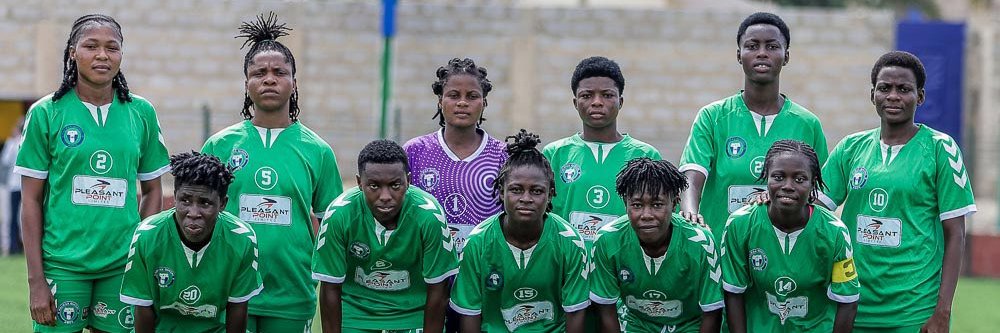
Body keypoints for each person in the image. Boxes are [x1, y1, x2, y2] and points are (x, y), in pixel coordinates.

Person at [15, 14, 170, 333]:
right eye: (91, 46)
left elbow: (154, 190)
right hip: (63, 265)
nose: (102, 55)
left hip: (120, 268)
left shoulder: (141, 113)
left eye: (112, 47)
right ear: (72, 51)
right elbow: (30, 200)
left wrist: (139, 254)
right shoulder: (47, 112)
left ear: (121, 55)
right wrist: (36, 281)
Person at [200, 13, 344, 333]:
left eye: (280, 72)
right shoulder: (220, 145)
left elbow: (333, 228)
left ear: (293, 82)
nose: (269, 79)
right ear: (246, 83)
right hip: (228, 288)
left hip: (292, 293)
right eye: (259, 72)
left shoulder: (317, 150)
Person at [817, 51, 976, 333]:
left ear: (921, 96)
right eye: (884, 88)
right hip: (853, 306)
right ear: (872, 95)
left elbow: (956, 233)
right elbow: (813, 209)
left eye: (903, 89)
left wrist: (942, 312)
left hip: (914, 312)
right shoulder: (851, 147)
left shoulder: (941, 149)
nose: (893, 96)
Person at [679, 12, 828, 235]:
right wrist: (689, 212)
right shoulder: (713, 117)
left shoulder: (807, 123)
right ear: (739, 55)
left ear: (786, 56)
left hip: (779, 252)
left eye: (771, 46)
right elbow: (691, 175)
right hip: (721, 251)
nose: (761, 53)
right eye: (752, 46)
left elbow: (817, 195)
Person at [450, 130, 590, 332]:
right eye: (516, 190)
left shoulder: (569, 241)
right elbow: (470, 314)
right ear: (501, 191)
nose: (526, 198)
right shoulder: (478, 242)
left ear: (550, 194)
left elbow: (575, 314)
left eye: (536, 191)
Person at [312, 139, 458, 332]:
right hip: (356, 313)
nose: (385, 196)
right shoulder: (339, 215)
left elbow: (438, 292)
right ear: (359, 183)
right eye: (374, 186)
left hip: (412, 314)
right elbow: (330, 288)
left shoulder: (429, 216)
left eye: (395, 185)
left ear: (409, 181)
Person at [720, 140, 858, 332]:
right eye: (778, 177)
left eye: (799, 179)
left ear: (813, 183)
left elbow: (848, 302)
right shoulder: (740, 224)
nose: (787, 186)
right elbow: (733, 294)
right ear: (765, 178)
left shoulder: (834, 232)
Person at [120, 152, 263, 333]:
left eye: (205, 203)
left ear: (223, 203)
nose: (193, 213)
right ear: (175, 197)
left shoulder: (242, 239)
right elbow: (143, 310)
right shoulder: (147, 235)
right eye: (185, 200)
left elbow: (238, 310)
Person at [590, 157, 723, 333]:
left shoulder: (700, 242)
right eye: (637, 205)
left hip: (688, 326)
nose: (646, 214)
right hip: (635, 325)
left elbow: (712, 312)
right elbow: (606, 309)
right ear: (625, 203)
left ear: (675, 203)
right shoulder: (607, 240)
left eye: (657, 205)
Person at [543, 56, 661, 248]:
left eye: (607, 95)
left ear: (620, 101)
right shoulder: (555, 154)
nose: (597, 102)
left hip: (623, 266)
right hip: (567, 266)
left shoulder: (645, 155)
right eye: (587, 95)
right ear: (575, 102)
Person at [404, 57, 507, 254]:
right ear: (440, 100)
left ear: (484, 102)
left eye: (472, 96)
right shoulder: (415, 151)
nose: (462, 102)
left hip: (482, 269)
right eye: (453, 95)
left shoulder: (503, 156)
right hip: (427, 266)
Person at [0, 116, 24, 256]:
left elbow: (4, 162)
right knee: (28, 216)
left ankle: (13, 247)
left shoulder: (12, 143)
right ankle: (24, 247)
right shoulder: (31, 141)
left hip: (13, 185)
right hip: (27, 186)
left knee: (12, 217)